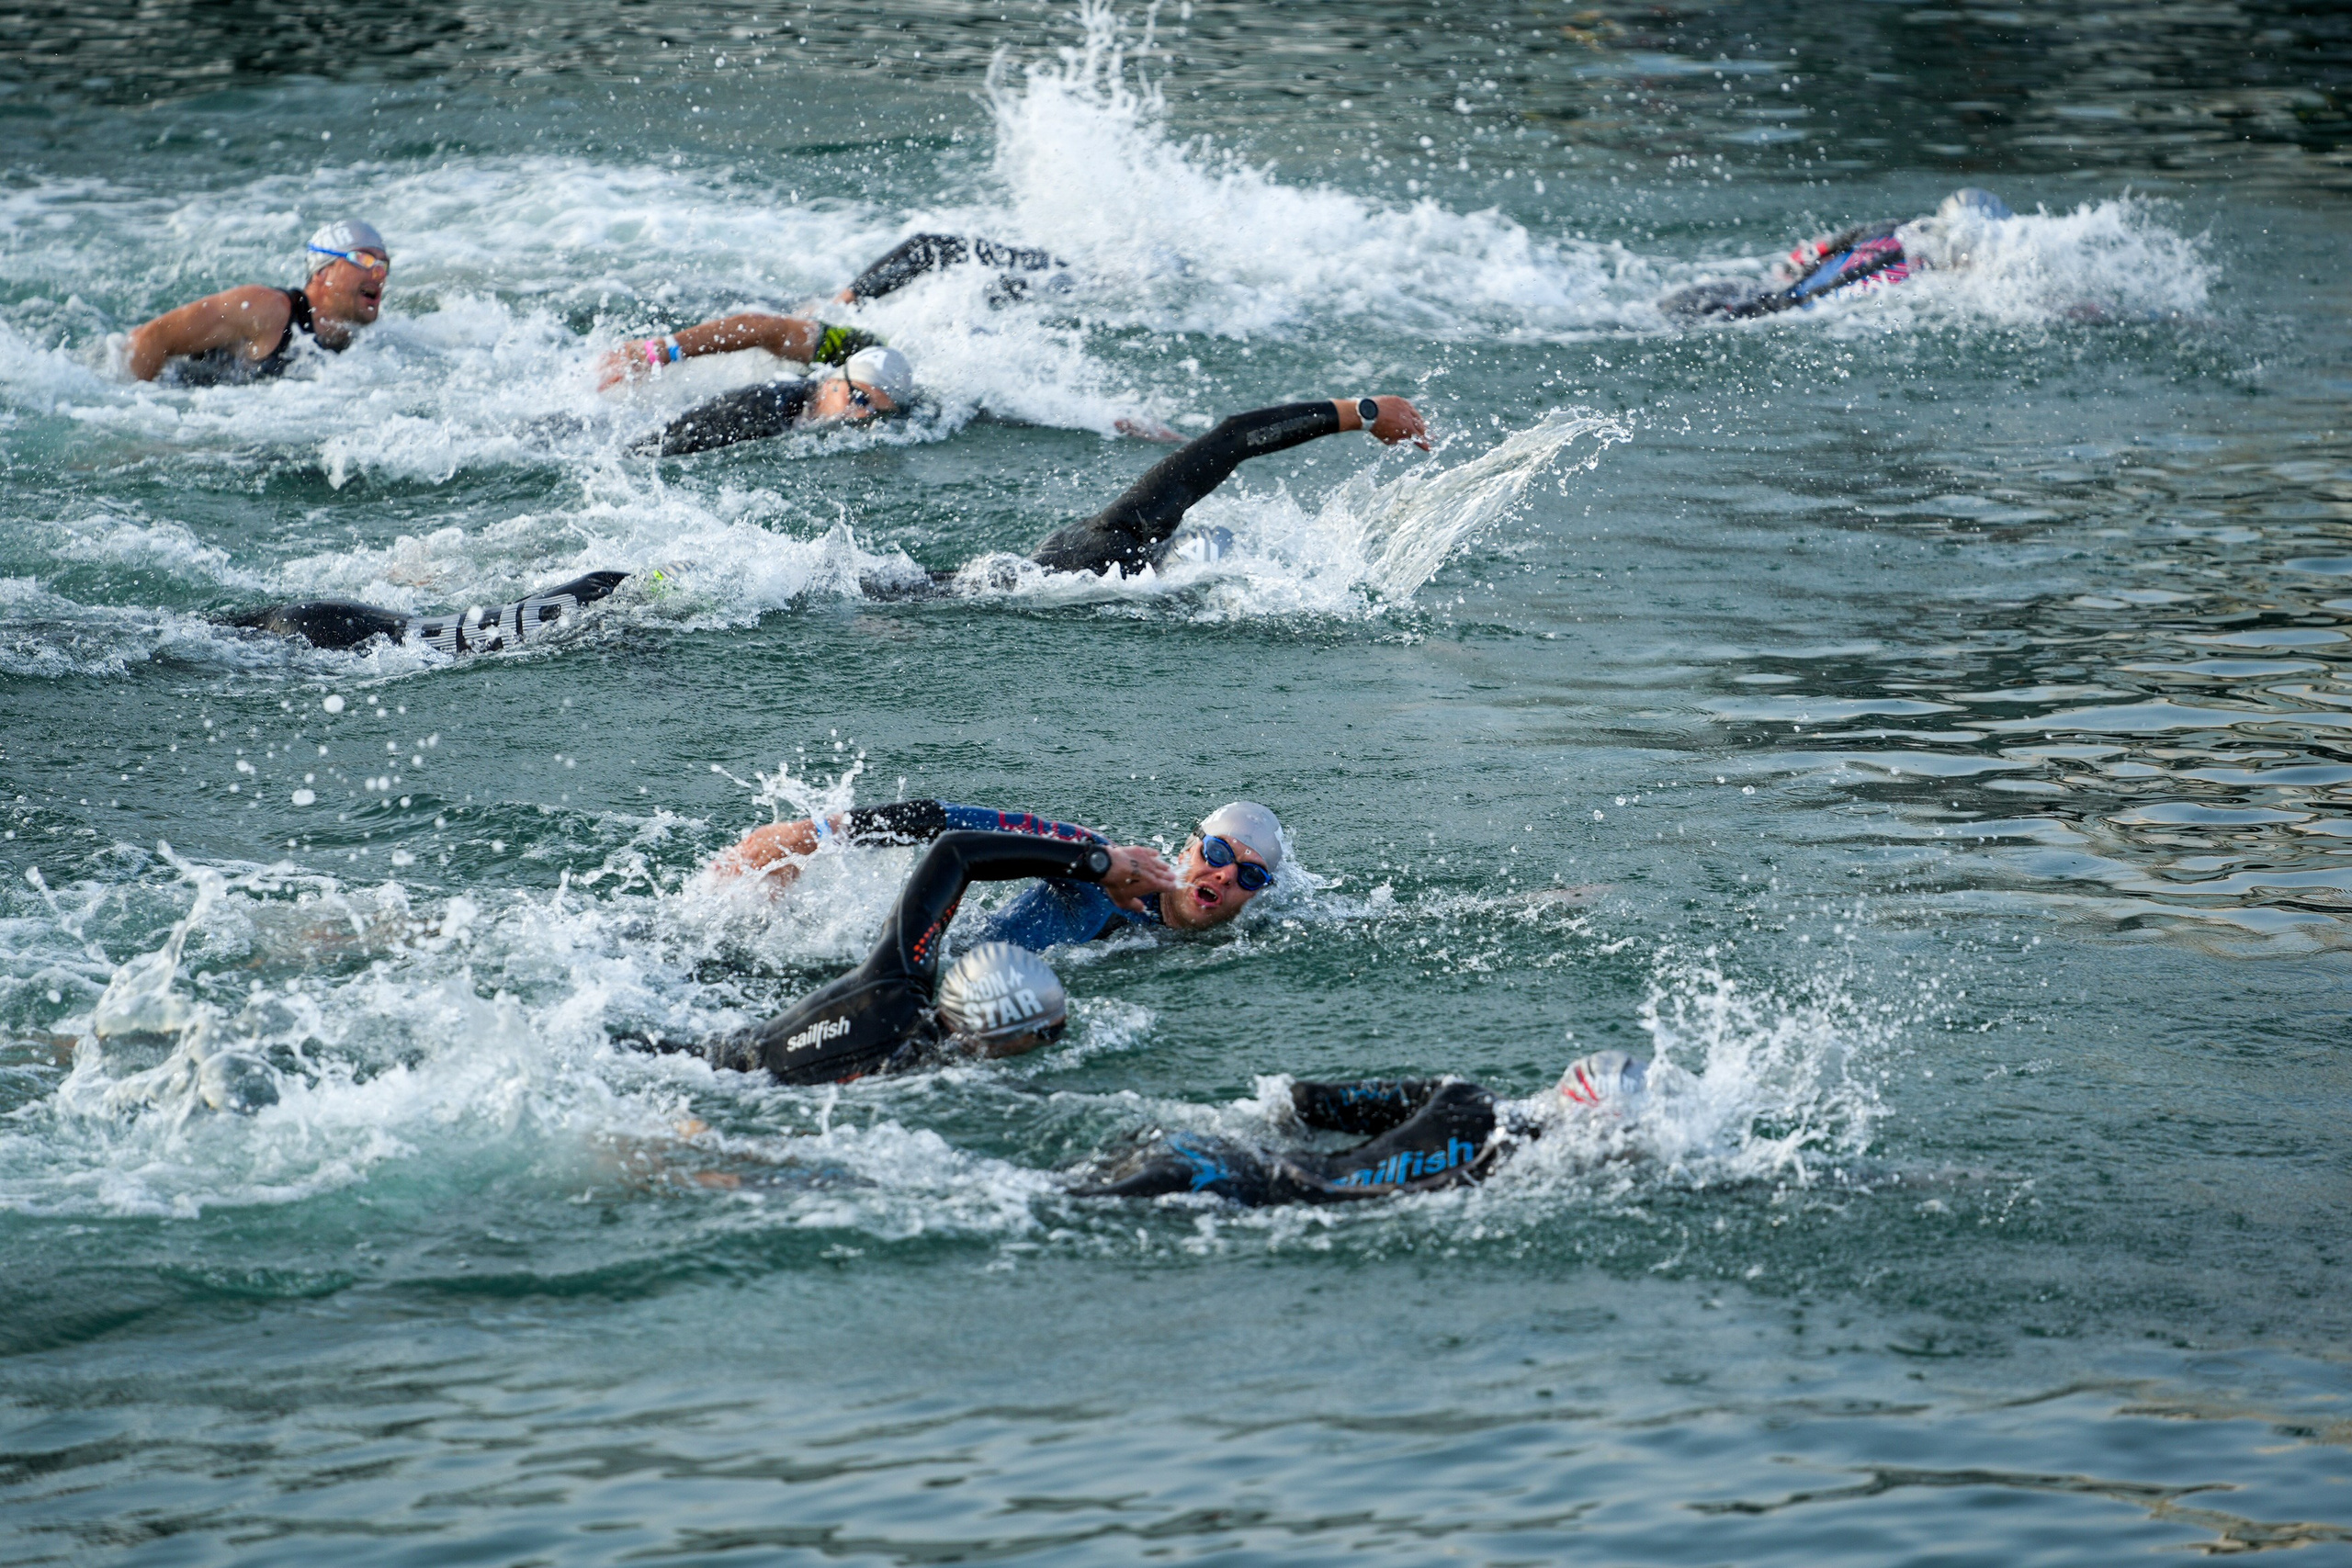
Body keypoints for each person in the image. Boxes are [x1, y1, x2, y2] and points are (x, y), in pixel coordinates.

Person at [220, 393, 1428, 651]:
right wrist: (1351, 409)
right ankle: (312, 624)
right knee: (462, 637)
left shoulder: (1079, 564)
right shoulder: (1103, 554)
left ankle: (300, 621)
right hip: (799, 592)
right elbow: (1217, 449)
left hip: (816, 583)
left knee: (509, 623)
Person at [633, 829, 1119, 1084]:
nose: (1057, 1039)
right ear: (1002, 1033)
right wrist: (1094, 860)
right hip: (686, 1072)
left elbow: (957, 859)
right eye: (1050, 1032)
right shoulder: (893, 1002)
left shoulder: (907, 1001)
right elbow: (951, 851)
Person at [1069, 1051, 1649, 1205]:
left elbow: (1304, 1100)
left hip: (1219, 1155)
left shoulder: (1464, 1097)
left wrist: (1279, 1133)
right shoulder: (1520, 1165)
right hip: (1228, 1180)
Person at [713, 798, 1284, 942]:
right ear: (1189, 849)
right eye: (1216, 854)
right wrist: (818, 834)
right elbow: (964, 827)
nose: (1225, 877)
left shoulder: (1240, 945)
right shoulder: (1103, 867)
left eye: (1251, 876)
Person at [1660, 188, 2014, 321]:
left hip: (1762, 298)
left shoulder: (1894, 229)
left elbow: (1810, 252)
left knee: (1651, 315)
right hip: (1764, 307)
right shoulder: (1942, 288)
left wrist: (1793, 267)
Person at [124, 220, 390, 383]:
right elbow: (151, 337)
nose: (378, 273)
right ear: (322, 271)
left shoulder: (360, 342)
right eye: (363, 260)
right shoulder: (267, 309)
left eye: (383, 264)